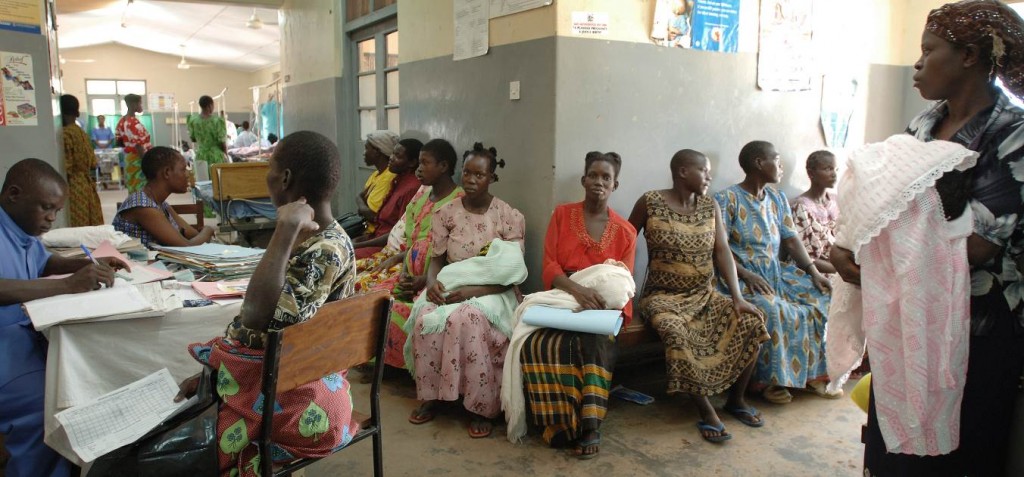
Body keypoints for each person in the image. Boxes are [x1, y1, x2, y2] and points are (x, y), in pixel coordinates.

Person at [830, 2, 1024, 475]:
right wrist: (851, 243)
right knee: (892, 449)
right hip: (906, 328)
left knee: (957, 454)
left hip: (976, 330)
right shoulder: (921, 128)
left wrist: (873, 253)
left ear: (970, 56)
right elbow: (882, 212)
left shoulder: (1012, 135)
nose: (916, 64)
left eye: (928, 50)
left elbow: (979, 246)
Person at [174, 131, 358, 477]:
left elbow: (257, 319)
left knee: (177, 448)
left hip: (294, 392)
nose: (267, 175)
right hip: (290, 372)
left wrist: (283, 231)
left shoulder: (324, 249)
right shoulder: (319, 237)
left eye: (269, 166)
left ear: (284, 178)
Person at [629, 150, 769, 443]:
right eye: (704, 170)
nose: (710, 176)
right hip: (662, 297)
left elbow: (722, 252)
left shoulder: (710, 206)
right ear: (682, 172)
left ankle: (736, 400)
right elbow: (625, 243)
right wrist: (621, 291)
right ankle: (707, 412)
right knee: (675, 333)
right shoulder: (650, 201)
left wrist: (737, 297)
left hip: (703, 295)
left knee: (754, 323)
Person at [0, 159, 127, 477]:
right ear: (14, 194)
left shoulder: (20, 230)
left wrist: (88, 264)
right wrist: (71, 285)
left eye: (56, 211)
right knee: (49, 407)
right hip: (6, 345)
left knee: (90, 373)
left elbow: (42, 262)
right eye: (46, 208)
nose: (52, 219)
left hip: (23, 332)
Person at [516, 151, 637, 457]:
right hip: (561, 296)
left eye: (606, 178)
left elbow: (623, 282)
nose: (599, 182)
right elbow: (549, 265)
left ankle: (590, 426)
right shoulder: (562, 215)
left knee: (594, 343)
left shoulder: (626, 232)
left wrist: (597, 304)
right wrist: (576, 290)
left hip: (600, 309)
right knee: (537, 343)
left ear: (615, 185)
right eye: (593, 175)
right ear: (584, 180)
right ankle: (557, 423)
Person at [405, 143, 525, 439]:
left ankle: (480, 406)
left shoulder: (508, 216)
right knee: (426, 316)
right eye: (467, 173)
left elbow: (510, 275)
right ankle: (432, 394)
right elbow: (436, 261)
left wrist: (475, 290)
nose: (470, 180)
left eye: (479, 175)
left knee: (467, 319)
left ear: (491, 178)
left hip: (492, 290)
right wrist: (432, 285)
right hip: (454, 283)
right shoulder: (446, 214)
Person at [713, 141, 833, 404]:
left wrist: (813, 272)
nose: (781, 167)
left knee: (823, 298)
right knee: (773, 310)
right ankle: (770, 381)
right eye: (777, 161)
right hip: (739, 277)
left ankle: (812, 375)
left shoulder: (777, 198)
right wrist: (745, 273)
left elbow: (791, 240)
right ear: (759, 163)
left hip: (776, 273)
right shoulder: (726, 199)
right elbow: (718, 248)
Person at [379, 139, 463, 369]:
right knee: (372, 300)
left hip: (436, 280)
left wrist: (424, 280)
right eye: (419, 162)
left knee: (405, 312)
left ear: (444, 166)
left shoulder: (459, 202)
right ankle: (381, 363)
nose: (418, 168)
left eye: (425, 163)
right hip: (411, 274)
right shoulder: (421, 194)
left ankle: (406, 367)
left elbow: (456, 255)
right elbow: (411, 239)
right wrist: (406, 273)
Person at [112, 147, 216, 248]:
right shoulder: (142, 206)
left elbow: (193, 235)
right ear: (167, 172)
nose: (188, 175)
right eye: (183, 169)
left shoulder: (162, 204)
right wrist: (208, 229)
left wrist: (202, 235)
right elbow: (187, 247)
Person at [353, 138, 423, 259]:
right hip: (376, 238)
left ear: (411, 163)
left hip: (388, 247)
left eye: (397, 156)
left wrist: (359, 245)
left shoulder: (411, 188)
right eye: (392, 153)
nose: (391, 158)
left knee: (340, 256)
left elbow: (398, 234)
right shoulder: (397, 180)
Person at [790, 150, 839, 275]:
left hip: (839, 264)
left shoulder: (836, 200)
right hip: (814, 270)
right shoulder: (801, 206)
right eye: (828, 169)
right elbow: (803, 256)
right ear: (811, 173)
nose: (834, 174)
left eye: (835, 169)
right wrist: (840, 270)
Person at [59, 94, 103, 226]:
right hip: (86, 185)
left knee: (77, 226)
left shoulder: (65, 134)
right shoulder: (81, 132)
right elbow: (93, 163)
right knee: (89, 224)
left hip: (73, 187)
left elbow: (66, 166)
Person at [356, 131, 399, 235]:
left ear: (377, 151)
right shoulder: (376, 174)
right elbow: (360, 203)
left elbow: (372, 216)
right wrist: (362, 207)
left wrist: (360, 202)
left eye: (367, 148)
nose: (364, 153)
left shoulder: (389, 176)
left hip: (373, 233)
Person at [115, 93, 151, 193]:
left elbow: (119, 142)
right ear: (133, 105)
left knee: (133, 187)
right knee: (140, 187)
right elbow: (139, 146)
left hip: (129, 159)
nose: (141, 106)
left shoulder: (122, 121)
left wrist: (128, 145)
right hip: (138, 159)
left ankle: (135, 207)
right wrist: (146, 162)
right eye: (140, 103)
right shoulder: (133, 123)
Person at [187, 95, 227, 179]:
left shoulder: (193, 120)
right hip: (215, 156)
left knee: (202, 181)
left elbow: (193, 139)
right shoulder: (217, 121)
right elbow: (222, 141)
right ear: (210, 105)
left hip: (201, 155)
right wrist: (225, 154)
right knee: (217, 181)